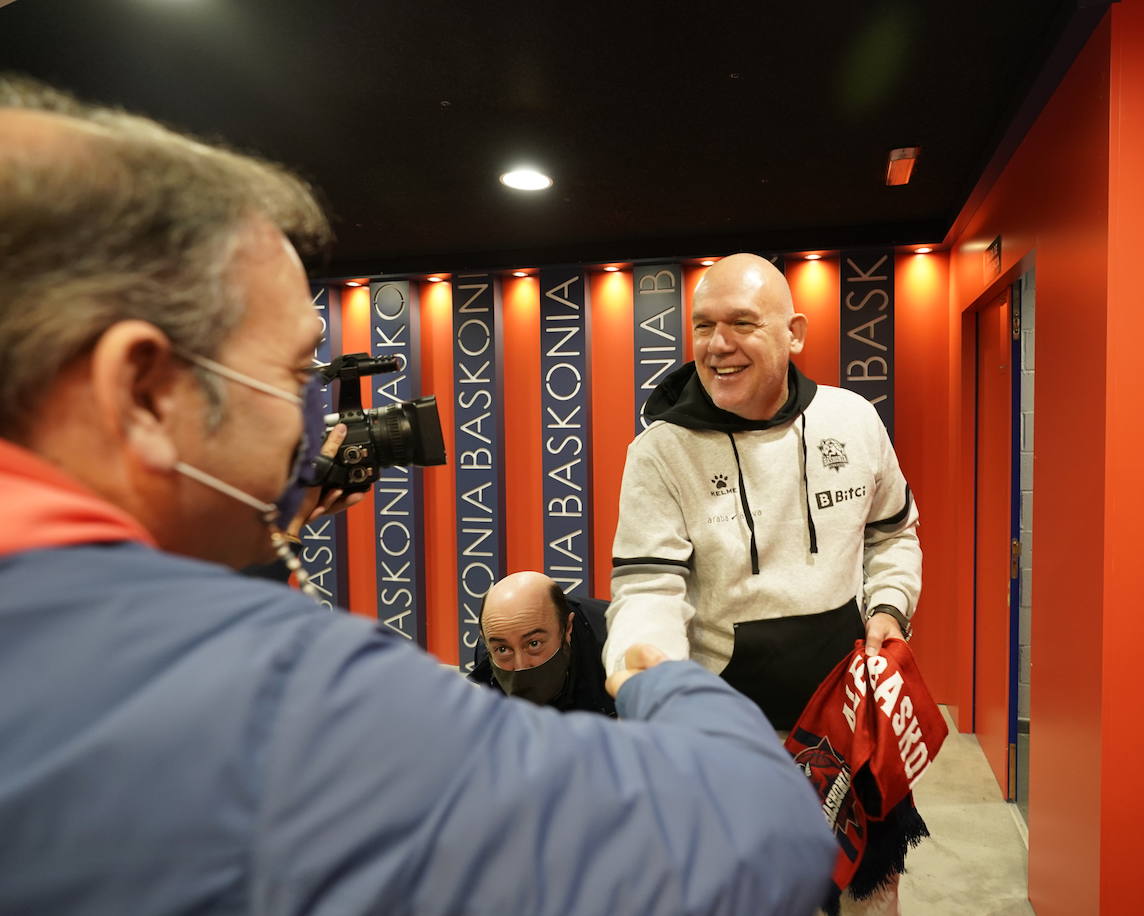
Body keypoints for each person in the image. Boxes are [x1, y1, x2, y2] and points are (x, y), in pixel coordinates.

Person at [0, 76, 835, 915]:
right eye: (296, 375)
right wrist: (663, 682)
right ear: (144, 392)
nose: (314, 426)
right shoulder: (276, 699)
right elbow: (758, 830)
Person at [603, 252, 924, 913]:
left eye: (742, 323)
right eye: (703, 326)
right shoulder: (660, 452)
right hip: (732, 738)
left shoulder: (853, 419)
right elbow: (647, 590)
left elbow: (893, 533)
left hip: (857, 729)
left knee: (871, 900)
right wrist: (648, 671)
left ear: (794, 333)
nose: (718, 345)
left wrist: (889, 611)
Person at [468, 571, 616, 716]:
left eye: (533, 644)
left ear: (567, 628)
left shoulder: (616, 647)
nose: (521, 666)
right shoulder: (487, 655)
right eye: (503, 649)